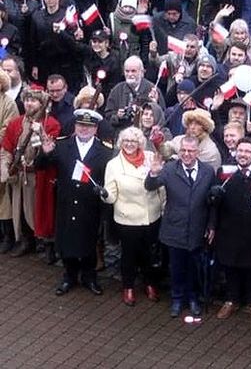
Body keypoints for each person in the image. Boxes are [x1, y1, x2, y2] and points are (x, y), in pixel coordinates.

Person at [37, 108, 112, 296]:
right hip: (67, 202)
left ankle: (89, 276)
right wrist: (45, 153)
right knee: (67, 240)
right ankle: (69, 276)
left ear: (96, 128)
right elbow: (40, 167)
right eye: (81, 125)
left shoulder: (105, 151)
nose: (84, 129)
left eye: (89, 126)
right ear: (75, 126)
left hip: (90, 206)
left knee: (89, 241)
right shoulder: (62, 145)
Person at [144, 136, 215, 318]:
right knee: (176, 267)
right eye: (183, 150)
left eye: (191, 151)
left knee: (193, 267)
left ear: (197, 152)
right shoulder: (169, 169)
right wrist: (152, 173)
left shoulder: (208, 171)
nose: (186, 154)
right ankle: (176, 299)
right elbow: (150, 186)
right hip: (174, 228)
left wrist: (211, 225)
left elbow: (213, 202)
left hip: (197, 229)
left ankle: (192, 298)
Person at [101, 127, 164, 306]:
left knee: (149, 254)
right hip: (127, 219)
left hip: (151, 216)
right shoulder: (113, 165)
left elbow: (161, 186)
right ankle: (128, 287)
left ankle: (150, 284)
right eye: (126, 141)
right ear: (121, 143)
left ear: (140, 143)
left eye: (134, 141)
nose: (129, 144)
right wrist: (104, 194)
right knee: (128, 255)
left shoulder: (152, 157)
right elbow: (112, 194)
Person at [213, 137, 251, 321]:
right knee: (230, 266)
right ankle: (231, 300)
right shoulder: (225, 172)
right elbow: (214, 203)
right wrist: (213, 197)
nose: (243, 155)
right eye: (241, 151)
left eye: (248, 151)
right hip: (228, 229)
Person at [0, 87, 61, 259]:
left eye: (33, 100)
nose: (29, 103)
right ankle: (26, 241)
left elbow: (51, 151)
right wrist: (5, 167)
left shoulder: (51, 123)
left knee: (40, 209)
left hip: (39, 175)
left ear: (41, 103)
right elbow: (7, 147)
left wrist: (41, 133)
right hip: (20, 175)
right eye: (26, 99)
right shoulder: (16, 123)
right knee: (19, 209)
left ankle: (44, 243)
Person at [0, 69, 19, 254]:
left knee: (3, 198)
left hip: (1, 152)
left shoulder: (8, 102)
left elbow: (8, 128)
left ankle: (8, 236)